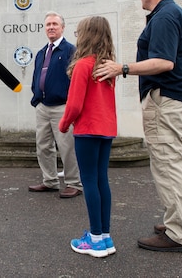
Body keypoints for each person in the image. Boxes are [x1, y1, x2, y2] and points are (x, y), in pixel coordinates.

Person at [95, 0, 182, 252]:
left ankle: (178, 233)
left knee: (168, 164)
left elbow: (164, 62)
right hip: (180, 99)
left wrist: (123, 68)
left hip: (165, 100)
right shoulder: (178, 15)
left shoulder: (164, 17)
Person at [59, 16, 117, 258]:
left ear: (86, 35)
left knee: (89, 181)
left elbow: (74, 105)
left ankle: (94, 240)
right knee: (101, 180)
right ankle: (104, 236)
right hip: (106, 129)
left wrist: (63, 125)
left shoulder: (83, 65)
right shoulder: (108, 65)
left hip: (87, 130)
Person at [29, 11, 82, 198]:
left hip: (62, 107)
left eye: (55, 24)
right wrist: (36, 97)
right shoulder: (41, 53)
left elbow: (76, 79)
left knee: (67, 147)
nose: (51, 27)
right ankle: (49, 181)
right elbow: (37, 76)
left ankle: (74, 183)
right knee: (43, 146)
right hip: (43, 106)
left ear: (62, 27)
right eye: (48, 24)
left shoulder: (70, 51)